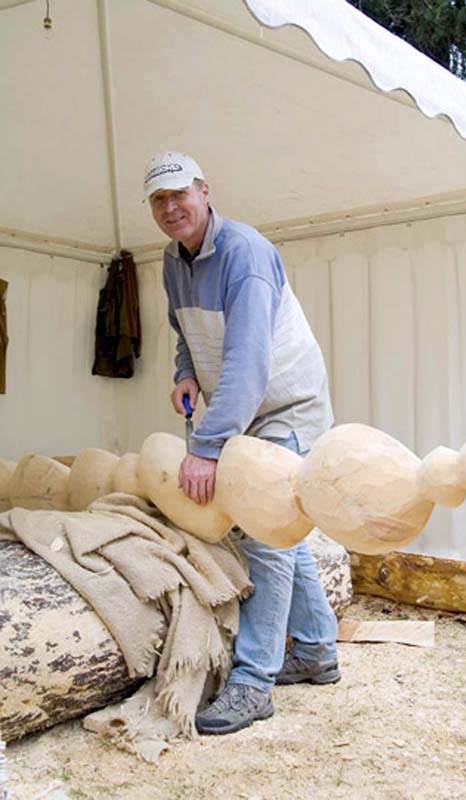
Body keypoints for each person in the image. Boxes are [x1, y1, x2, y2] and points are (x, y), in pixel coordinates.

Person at [144, 151, 340, 735]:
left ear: (204, 191)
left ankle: (253, 683)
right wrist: (185, 373)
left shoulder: (244, 254)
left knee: (266, 533)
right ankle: (317, 650)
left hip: (286, 406)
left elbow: (249, 363)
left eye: (180, 194)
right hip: (246, 412)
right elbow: (186, 330)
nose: (171, 207)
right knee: (282, 532)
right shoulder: (172, 261)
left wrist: (205, 448)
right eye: (159, 199)